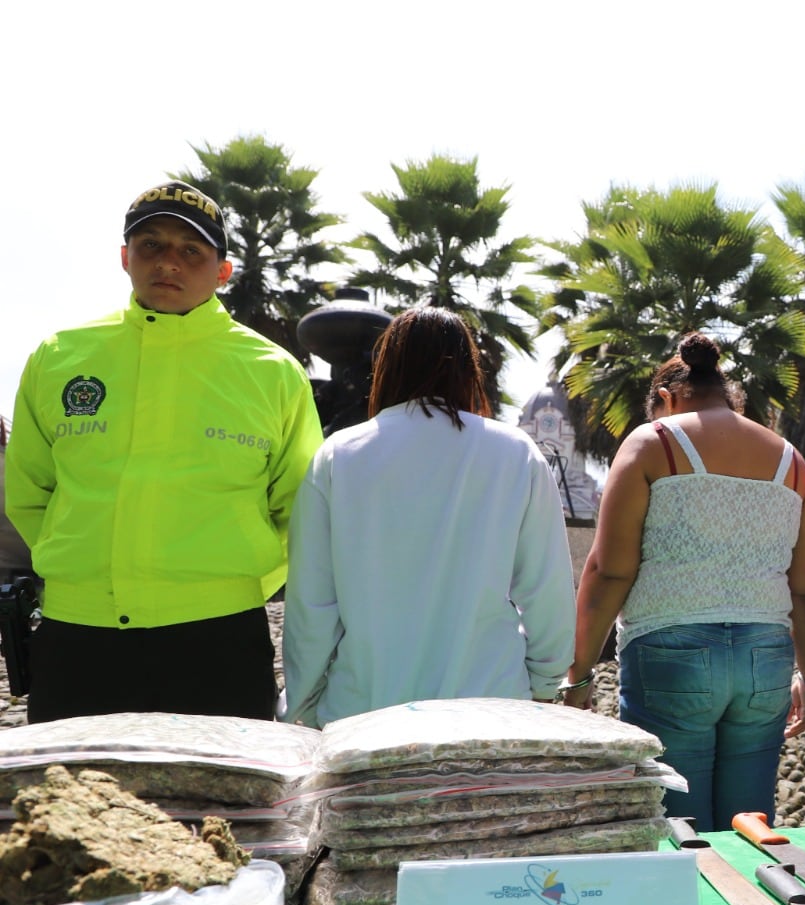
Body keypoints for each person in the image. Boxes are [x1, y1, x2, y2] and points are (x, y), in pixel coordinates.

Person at [5, 180, 322, 722]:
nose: (168, 263)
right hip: (78, 638)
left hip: (220, 639)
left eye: (190, 250)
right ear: (125, 257)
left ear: (222, 271)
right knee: (70, 801)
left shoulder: (273, 373)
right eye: (151, 245)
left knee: (224, 809)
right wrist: (88, 574)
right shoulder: (59, 357)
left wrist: (222, 585)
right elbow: (28, 492)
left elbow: (299, 510)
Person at [562, 332, 805, 830]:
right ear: (730, 396)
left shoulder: (652, 443)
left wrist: (579, 673)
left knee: (679, 832)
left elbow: (610, 569)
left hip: (671, 652)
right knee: (748, 827)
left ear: (666, 398)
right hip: (765, 657)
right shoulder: (793, 463)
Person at [283, 307, 574, 725]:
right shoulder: (516, 453)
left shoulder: (338, 455)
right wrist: (546, 683)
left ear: (386, 366)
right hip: (492, 706)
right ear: (468, 368)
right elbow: (546, 588)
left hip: (363, 710)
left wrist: (302, 701)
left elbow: (313, 601)